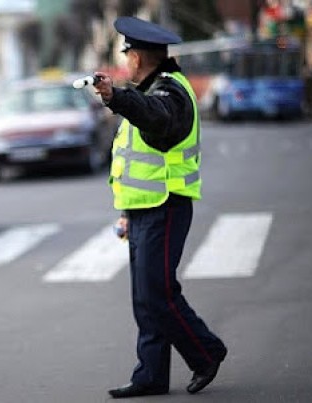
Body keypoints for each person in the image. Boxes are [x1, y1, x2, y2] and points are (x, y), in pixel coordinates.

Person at [90, 16, 228, 398]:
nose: (127, 60)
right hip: (144, 208)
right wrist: (126, 212)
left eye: (128, 53)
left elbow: (158, 121)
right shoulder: (152, 89)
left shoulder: (171, 93)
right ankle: (150, 374)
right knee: (146, 297)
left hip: (166, 205)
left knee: (158, 294)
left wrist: (117, 97)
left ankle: (206, 353)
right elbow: (134, 158)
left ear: (136, 57)